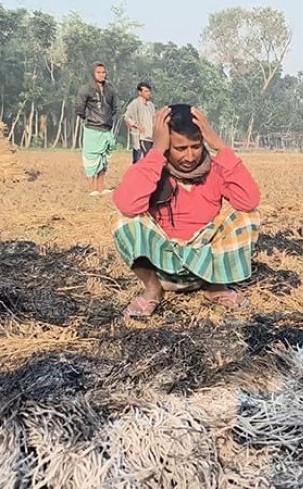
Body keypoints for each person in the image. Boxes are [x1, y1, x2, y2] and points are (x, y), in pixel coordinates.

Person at [111, 104, 262, 318]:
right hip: (163, 265)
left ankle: (216, 288)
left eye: (196, 146)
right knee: (122, 219)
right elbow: (127, 204)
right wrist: (155, 152)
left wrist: (221, 147)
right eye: (180, 148)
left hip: (207, 266)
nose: (190, 156)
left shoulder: (216, 171)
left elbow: (249, 200)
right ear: (166, 145)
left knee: (249, 216)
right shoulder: (153, 169)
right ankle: (153, 289)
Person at [74, 62, 118, 196]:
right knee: (91, 159)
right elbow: (79, 108)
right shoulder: (86, 89)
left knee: (104, 159)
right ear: (93, 73)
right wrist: (89, 118)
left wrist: (108, 118)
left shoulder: (110, 89)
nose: (101, 75)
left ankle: (101, 187)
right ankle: (92, 189)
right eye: (98, 72)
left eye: (103, 72)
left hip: (107, 129)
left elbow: (115, 107)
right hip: (92, 128)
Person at [125, 82, 156, 164]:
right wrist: (136, 125)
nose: (148, 93)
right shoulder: (135, 103)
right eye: (145, 91)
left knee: (149, 161)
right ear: (140, 92)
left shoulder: (151, 105)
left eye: (149, 91)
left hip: (150, 137)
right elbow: (127, 117)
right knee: (138, 161)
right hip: (140, 137)